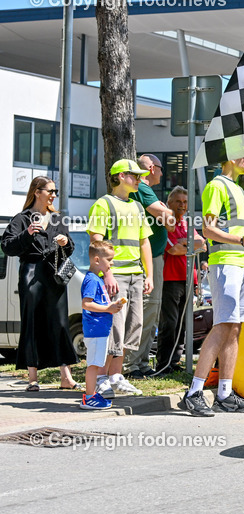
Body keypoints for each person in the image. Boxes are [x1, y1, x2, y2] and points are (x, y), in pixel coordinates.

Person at [179, 156, 244, 416]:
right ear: (231, 158)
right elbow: (208, 230)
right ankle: (194, 392)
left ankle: (224, 393)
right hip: (225, 262)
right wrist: (239, 239)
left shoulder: (239, 188)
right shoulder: (217, 185)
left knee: (234, 327)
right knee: (223, 324)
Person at [0, 176, 79, 391]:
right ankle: (32, 378)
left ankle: (66, 376)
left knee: (60, 324)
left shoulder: (58, 219)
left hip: (54, 275)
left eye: (55, 191)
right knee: (32, 322)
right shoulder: (22, 219)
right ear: (37, 192)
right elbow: (7, 246)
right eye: (50, 190)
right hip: (31, 272)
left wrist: (65, 242)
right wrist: (27, 234)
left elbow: (70, 248)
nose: (54, 195)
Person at [87, 159, 154, 398]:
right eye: (135, 175)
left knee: (130, 327)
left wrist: (149, 275)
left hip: (135, 274)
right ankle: (103, 378)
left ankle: (116, 376)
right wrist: (108, 273)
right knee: (113, 328)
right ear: (121, 176)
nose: (139, 179)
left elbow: (144, 241)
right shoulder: (103, 204)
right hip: (116, 277)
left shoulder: (136, 207)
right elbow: (97, 242)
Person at [125, 153, 175, 379]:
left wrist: (168, 216)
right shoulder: (144, 189)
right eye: (161, 168)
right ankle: (131, 364)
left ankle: (142, 363)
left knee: (151, 313)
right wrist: (167, 213)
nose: (163, 173)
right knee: (145, 311)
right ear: (152, 168)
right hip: (147, 259)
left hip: (153, 258)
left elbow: (169, 221)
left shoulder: (147, 191)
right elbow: (165, 216)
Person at [155, 186, 205, 376]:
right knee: (170, 323)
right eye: (178, 202)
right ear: (169, 203)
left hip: (188, 279)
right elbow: (173, 250)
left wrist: (184, 242)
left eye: (185, 202)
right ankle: (163, 363)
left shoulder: (187, 224)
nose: (182, 206)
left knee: (184, 324)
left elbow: (203, 244)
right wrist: (190, 244)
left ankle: (175, 361)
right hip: (170, 280)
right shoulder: (165, 224)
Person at [80, 241, 126, 409]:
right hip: (95, 330)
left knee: (96, 363)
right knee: (93, 365)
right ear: (97, 259)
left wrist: (111, 307)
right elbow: (86, 304)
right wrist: (108, 308)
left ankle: (91, 394)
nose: (112, 263)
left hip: (99, 329)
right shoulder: (92, 280)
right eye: (109, 259)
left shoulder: (96, 278)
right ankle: (89, 397)